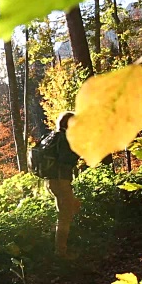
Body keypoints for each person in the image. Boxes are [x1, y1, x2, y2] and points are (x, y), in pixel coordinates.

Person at [46, 111, 81, 259]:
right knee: (64, 216)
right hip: (61, 181)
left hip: (52, 181)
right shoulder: (64, 139)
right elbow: (67, 160)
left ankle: (58, 241)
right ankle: (60, 252)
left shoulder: (54, 138)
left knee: (72, 207)